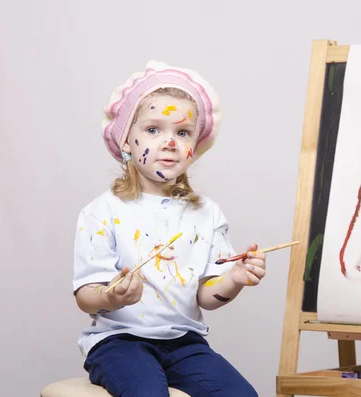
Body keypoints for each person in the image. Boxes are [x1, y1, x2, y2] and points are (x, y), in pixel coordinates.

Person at [72, 61, 263, 397]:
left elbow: (206, 295)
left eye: (183, 132)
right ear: (126, 141)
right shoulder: (102, 211)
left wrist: (234, 279)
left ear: (194, 149)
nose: (170, 142)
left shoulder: (206, 214)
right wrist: (111, 296)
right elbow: (86, 298)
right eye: (153, 129)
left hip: (183, 342)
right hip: (118, 341)